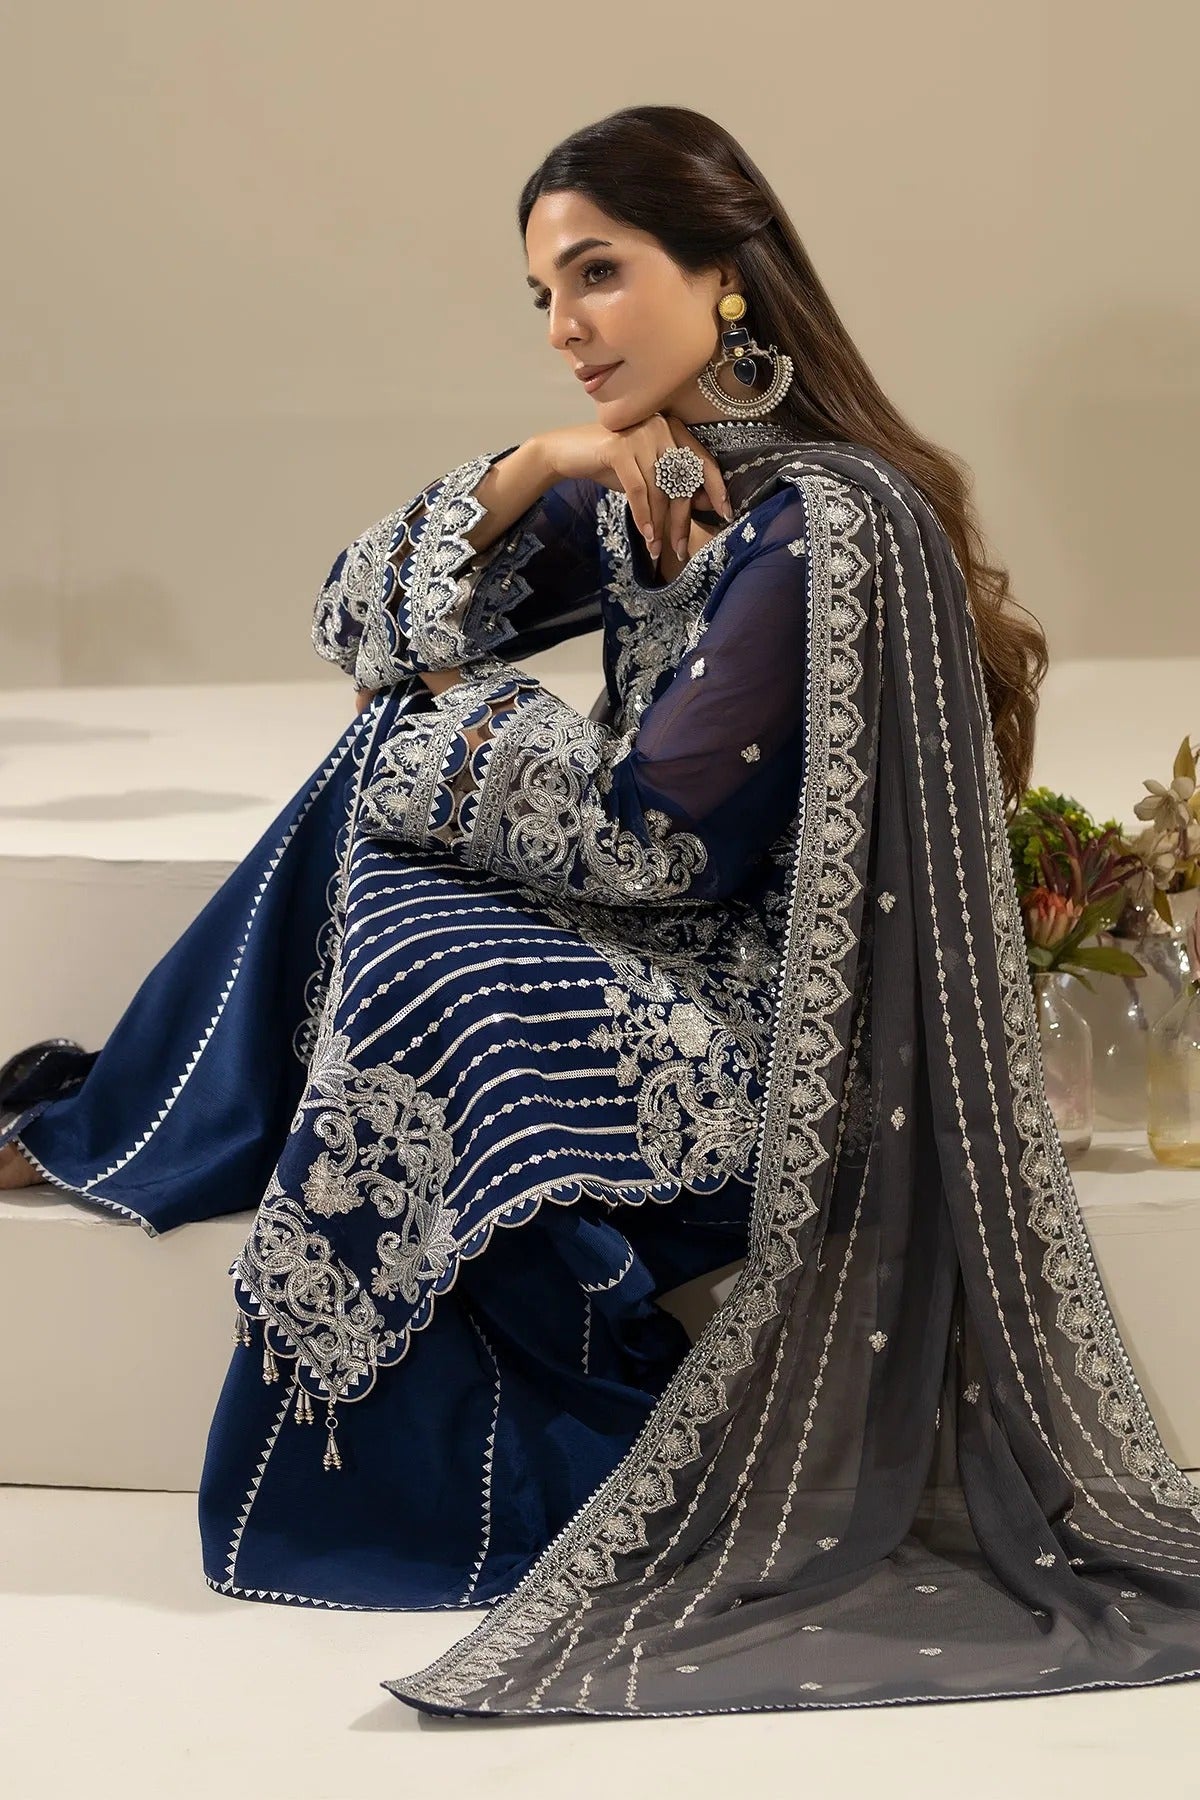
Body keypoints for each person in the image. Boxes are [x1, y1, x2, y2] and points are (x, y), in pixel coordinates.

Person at [7, 102, 1200, 1722]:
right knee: (390, 804)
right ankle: (157, 1132)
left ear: (725, 276)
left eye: (600, 272)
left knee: (412, 859)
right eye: (542, 294)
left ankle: (175, 1159)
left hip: (781, 1037)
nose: (568, 326)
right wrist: (541, 464)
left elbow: (657, 849)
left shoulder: (821, 521)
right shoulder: (672, 478)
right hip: (663, 955)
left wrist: (451, 728)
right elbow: (357, 618)